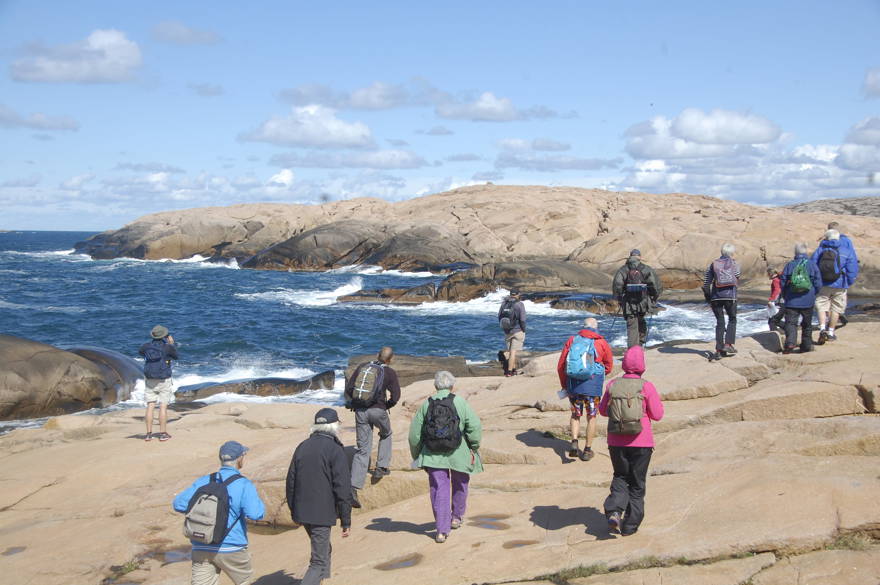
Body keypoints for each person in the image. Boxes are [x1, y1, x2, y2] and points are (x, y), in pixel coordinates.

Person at [172, 441, 266, 585]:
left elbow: (178, 504)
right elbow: (256, 514)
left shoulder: (205, 480)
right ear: (240, 458)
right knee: (245, 582)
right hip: (232, 547)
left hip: (201, 545)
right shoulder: (243, 484)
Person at [408, 371, 483, 543]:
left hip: (433, 453)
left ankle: (442, 530)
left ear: (435, 386)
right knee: (461, 483)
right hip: (459, 451)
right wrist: (474, 446)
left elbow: (414, 435)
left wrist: (418, 454)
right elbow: (475, 427)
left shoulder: (427, 405)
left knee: (439, 489)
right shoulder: (460, 402)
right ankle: (456, 517)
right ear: (452, 386)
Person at [599, 345, 664, 537]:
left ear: (624, 364)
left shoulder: (612, 385)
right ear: (642, 365)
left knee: (620, 476)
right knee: (637, 483)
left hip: (616, 440)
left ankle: (614, 511)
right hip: (641, 441)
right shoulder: (646, 386)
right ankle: (630, 526)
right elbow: (658, 415)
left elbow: (603, 411)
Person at [286, 408, 353, 585]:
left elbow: (290, 481)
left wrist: (294, 512)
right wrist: (346, 521)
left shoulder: (302, 446)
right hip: (321, 514)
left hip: (303, 511)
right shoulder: (335, 449)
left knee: (324, 550)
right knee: (318, 561)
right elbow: (343, 488)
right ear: (333, 426)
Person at [344, 346, 401, 508]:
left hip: (361, 411)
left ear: (377, 355)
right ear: (391, 359)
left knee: (363, 449)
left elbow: (349, 388)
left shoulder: (363, 367)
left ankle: (354, 488)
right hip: (378, 411)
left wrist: (356, 403)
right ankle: (381, 467)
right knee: (386, 433)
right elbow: (396, 396)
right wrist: (386, 405)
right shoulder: (389, 372)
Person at [556, 317, 614, 461]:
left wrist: (564, 384)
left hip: (574, 385)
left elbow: (561, 365)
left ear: (583, 327)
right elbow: (609, 365)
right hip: (592, 386)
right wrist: (599, 376)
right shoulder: (601, 342)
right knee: (591, 416)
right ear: (596, 327)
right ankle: (587, 450)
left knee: (576, 415)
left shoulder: (572, 340)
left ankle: (574, 441)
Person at [811, 229, 859, 343]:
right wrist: (849, 282)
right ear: (838, 238)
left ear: (826, 238)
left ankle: (822, 329)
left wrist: (815, 282)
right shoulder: (846, 251)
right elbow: (852, 270)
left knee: (822, 307)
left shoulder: (820, 250)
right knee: (836, 309)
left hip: (823, 284)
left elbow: (812, 266)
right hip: (840, 284)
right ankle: (831, 332)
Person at [612, 249, 662, 348]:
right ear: (639, 257)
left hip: (629, 303)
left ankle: (632, 351)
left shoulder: (623, 269)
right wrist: (654, 297)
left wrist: (619, 299)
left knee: (632, 326)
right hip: (643, 301)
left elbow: (617, 285)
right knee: (641, 319)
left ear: (630, 256)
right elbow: (654, 285)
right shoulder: (646, 269)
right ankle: (640, 344)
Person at [779, 243, 822, 354]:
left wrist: (784, 294)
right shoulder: (812, 265)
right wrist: (813, 293)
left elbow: (782, 281)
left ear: (795, 253)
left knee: (791, 323)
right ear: (806, 252)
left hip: (792, 299)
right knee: (807, 324)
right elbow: (818, 283)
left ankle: (790, 343)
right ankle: (806, 346)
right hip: (808, 299)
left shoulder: (790, 265)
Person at [139, 324, 178, 442]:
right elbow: (176, 356)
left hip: (150, 378)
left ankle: (148, 434)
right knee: (163, 406)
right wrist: (171, 344)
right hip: (163, 378)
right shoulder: (167, 347)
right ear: (164, 336)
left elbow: (141, 353)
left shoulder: (146, 346)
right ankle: (162, 433)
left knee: (150, 405)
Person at [702, 243, 741, 359]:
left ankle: (719, 349)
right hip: (731, 297)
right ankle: (728, 344)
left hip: (716, 297)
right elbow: (737, 277)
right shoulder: (735, 264)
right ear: (732, 253)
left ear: (721, 252)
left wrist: (709, 298)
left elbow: (706, 284)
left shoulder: (713, 264)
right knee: (732, 319)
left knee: (720, 322)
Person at [497, 290, 526, 376]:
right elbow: (523, 319)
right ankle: (509, 372)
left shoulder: (504, 303)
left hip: (507, 331)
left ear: (510, 295)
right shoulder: (520, 304)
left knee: (510, 351)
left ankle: (513, 370)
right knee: (513, 352)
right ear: (518, 294)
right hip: (517, 331)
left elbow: (499, 316)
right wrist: (523, 329)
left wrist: (504, 327)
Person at [766, 267, 785, 331]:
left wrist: (771, 300)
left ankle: (775, 336)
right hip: (784, 302)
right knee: (776, 320)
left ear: (770, 273)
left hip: (780, 303)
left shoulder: (775, 280)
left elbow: (777, 290)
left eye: (768, 274)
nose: (767, 275)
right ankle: (790, 330)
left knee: (772, 321)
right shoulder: (779, 278)